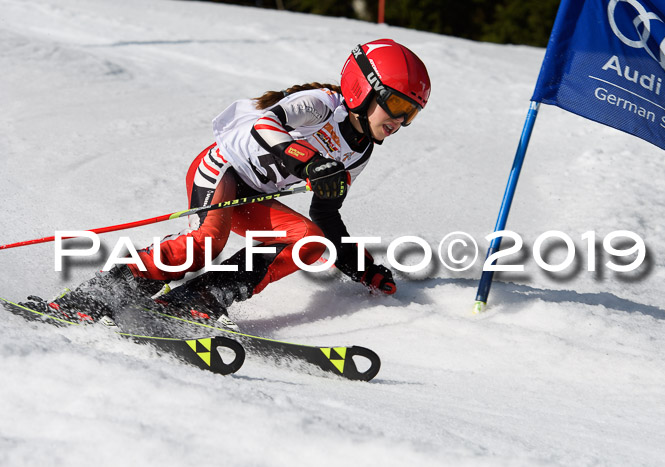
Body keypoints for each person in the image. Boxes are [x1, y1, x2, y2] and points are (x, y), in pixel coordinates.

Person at [25, 39, 431, 328]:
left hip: (254, 196)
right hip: (224, 170)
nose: (398, 122)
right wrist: (310, 162)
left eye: (410, 114)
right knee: (206, 242)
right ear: (364, 88)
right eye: (395, 105)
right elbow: (261, 125)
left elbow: (326, 213)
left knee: (309, 241)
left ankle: (197, 299)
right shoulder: (322, 104)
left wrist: (361, 269)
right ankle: (96, 297)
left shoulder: (360, 151)